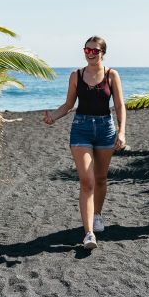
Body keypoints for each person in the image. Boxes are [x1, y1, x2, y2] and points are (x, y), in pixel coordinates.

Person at [43, 36, 126, 250]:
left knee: (100, 178)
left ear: (102, 53)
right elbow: (69, 104)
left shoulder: (111, 75)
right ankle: (88, 233)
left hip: (106, 129)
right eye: (87, 50)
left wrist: (122, 131)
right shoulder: (76, 75)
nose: (90, 53)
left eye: (95, 51)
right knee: (87, 180)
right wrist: (53, 116)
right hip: (81, 128)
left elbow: (119, 105)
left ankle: (97, 214)